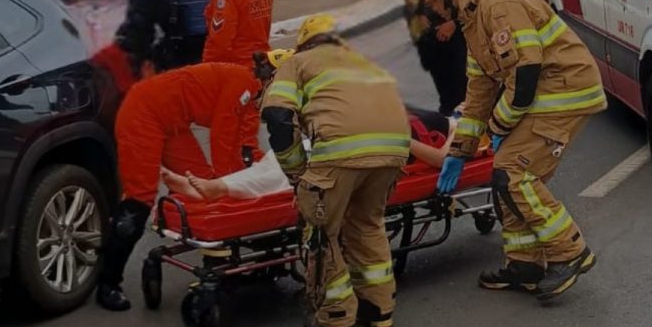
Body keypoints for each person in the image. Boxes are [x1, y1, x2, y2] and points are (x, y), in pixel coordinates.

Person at [422, 0, 606, 303]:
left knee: (514, 173)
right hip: (541, 96)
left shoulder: (496, 4)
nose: (432, 6)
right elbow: (478, 92)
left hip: (563, 93)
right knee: (503, 176)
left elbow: (525, 73)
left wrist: (498, 127)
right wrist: (460, 151)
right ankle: (525, 264)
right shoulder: (472, 19)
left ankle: (569, 251)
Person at [261, 14, 410, 327]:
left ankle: (337, 319)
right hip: (394, 150)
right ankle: (379, 307)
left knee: (321, 233)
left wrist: (297, 172)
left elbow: (277, 117)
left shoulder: (298, 62)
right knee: (368, 224)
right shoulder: (365, 62)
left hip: (342, 152)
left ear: (304, 43)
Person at [95, 61, 268, 311]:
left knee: (200, 189)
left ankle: (218, 263)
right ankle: (108, 282)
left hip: (172, 120)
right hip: (143, 114)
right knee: (139, 199)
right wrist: (225, 183)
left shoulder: (246, 89)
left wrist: (237, 175)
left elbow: (240, 141)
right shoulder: (244, 85)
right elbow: (222, 135)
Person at [169, 105, 458, 201]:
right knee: (278, 156)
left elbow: (446, 160)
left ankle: (218, 188)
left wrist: (402, 142)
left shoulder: (461, 128)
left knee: (293, 170)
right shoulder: (431, 112)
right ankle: (218, 187)